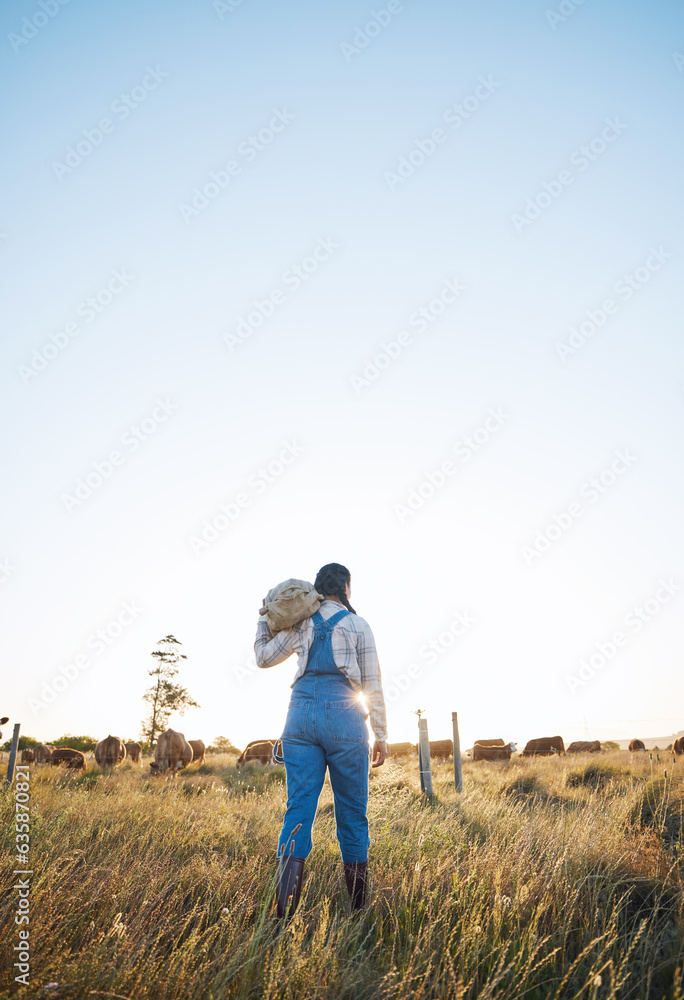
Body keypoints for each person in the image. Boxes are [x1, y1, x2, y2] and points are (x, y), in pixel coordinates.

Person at [254, 562, 388, 919]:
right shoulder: (359, 624)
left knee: (298, 811)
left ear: (317, 589)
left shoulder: (301, 622)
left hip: (299, 717)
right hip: (345, 716)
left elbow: (262, 657)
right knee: (353, 815)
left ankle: (281, 916)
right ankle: (358, 913)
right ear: (345, 587)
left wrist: (263, 612)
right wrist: (381, 734)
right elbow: (372, 684)